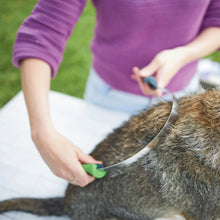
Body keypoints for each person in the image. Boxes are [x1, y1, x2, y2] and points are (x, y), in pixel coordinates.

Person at [13, 0, 220, 187]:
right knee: (101, 183)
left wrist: (182, 55)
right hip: (108, 97)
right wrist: (42, 133)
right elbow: (43, 32)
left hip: (183, 95)